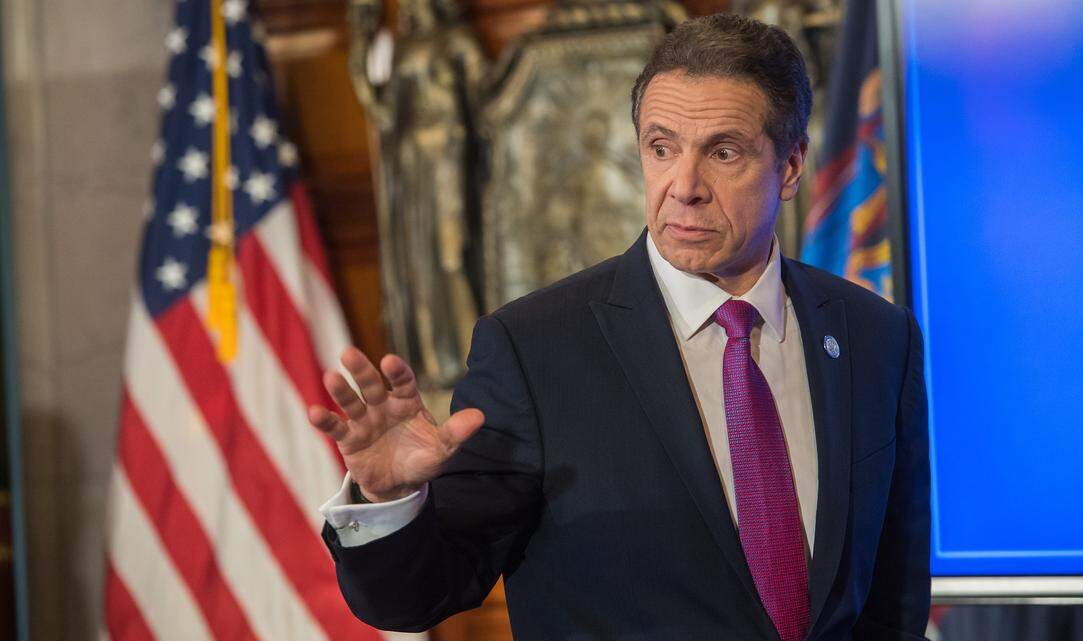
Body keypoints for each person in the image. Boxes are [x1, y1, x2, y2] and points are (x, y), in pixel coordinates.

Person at [309, 14, 930, 641]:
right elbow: (420, 595)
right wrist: (385, 500)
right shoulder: (534, 349)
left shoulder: (876, 337)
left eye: (722, 151)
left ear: (792, 166)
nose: (683, 187)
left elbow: (892, 598)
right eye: (661, 148)